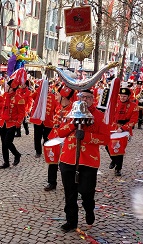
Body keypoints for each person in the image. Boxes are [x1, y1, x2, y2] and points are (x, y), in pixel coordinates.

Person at [56, 89, 110, 232]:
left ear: (93, 99)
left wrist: (86, 136)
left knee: (86, 192)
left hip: (88, 161)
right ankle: (71, 221)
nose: (84, 100)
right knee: (70, 192)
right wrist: (74, 124)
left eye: (88, 97)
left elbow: (105, 139)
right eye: (82, 97)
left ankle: (89, 209)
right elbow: (60, 132)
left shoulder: (99, 116)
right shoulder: (71, 113)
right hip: (68, 158)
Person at [43, 83, 75, 191]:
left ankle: (70, 183)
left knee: (65, 164)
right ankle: (52, 182)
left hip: (67, 138)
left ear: (64, 96)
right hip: (55, 135)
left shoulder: (73, 109)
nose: (55, 97)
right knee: (52, 160)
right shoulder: (58, 107)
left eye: (58, 95)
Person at [108, 87, 139, 176]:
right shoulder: (115, 103)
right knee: (108, 145)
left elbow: (133, 120)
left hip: (125, 129)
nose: (122, 98)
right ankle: (114, 160)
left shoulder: (134, 106)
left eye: (124, 96)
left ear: (128, 96)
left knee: (119, 148)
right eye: (121, 96)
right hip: (114, 127)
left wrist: (123, 128)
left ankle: (118, 168)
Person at [0, 79, 24, 169]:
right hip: (3, 122)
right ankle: (6, 162)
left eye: (8, 86)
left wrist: (18, 123)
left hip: (12, 123)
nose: (6, 88)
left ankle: (17, 154)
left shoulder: (19, 98)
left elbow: (22, 113)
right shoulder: (5, 95)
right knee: (3, 144)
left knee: (7, 142)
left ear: (12, 88)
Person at [30, 80, 57, 158]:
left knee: (47, 137)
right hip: (38, 120)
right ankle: (38, 151)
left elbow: (56, 108)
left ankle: (46, 150)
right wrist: (40, 89)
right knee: (37, 137)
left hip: (48, 120)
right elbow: (32, 96)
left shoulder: (53, 96)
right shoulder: (38, 95)